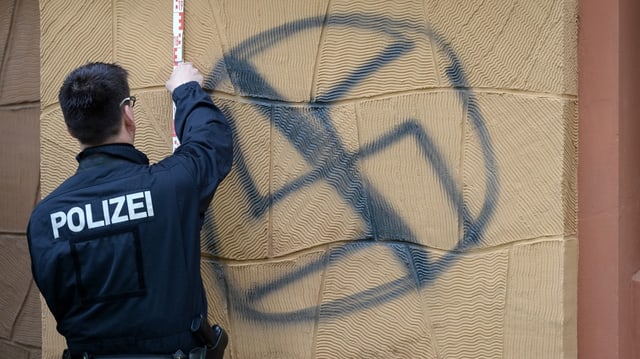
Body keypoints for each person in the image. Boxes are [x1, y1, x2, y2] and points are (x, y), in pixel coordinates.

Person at [26, 62, 233, 359]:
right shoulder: (169, 186)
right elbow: (210, 144)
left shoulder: (44, 220)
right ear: (128, 114)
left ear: (71, 130)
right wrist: (187, 91)